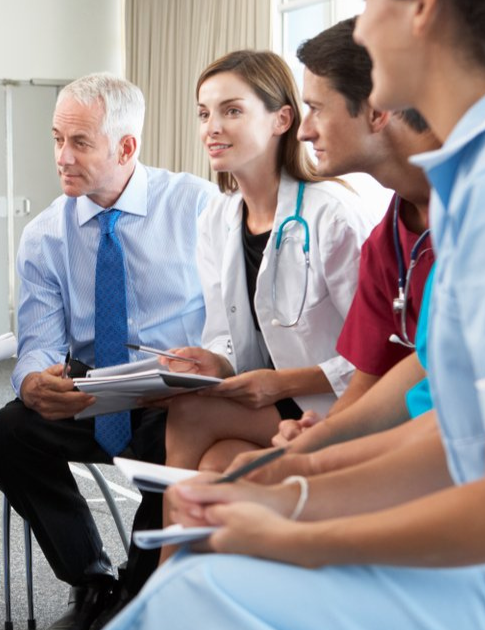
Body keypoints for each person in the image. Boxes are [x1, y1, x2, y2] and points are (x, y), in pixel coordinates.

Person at [103, 0, 485, 627]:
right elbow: (460, 433)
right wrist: (298, 483)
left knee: (197, 592)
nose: (360, 22)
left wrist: (292, 534)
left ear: (421, 12)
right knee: (200, 567)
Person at [0, 73, 218, 630]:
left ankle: (137, 596)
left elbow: (230, 315)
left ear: (126, 147)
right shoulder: (46, 234)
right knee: (8, 433)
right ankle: (91, 580)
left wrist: (200, 369)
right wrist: (34, 379)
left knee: (170, 450)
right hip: (94, 394)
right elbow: (39, 337)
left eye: (80, 142)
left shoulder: (196, 206)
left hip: (176, 394)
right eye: (56, 139)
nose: (62, 157)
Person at [223, 18, 444, 483]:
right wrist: (320, 437)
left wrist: (318, 457)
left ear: (377, 109)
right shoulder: (391, 237)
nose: (303, 131)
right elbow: (375, 371)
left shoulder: (476, 205)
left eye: (316, 109)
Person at [146, 50, 368, 477]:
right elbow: (224, 336)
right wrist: (215, 364)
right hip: (268, 401)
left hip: (336, 405)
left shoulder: (331, 216)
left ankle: (167, 542)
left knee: (192, 413)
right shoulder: (217, 219)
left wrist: (283, 382)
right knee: (217, 464)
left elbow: (378, 355)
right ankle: (178, 540)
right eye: (203, 113)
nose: (212, 128)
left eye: (231, 111)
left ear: (281, 120)